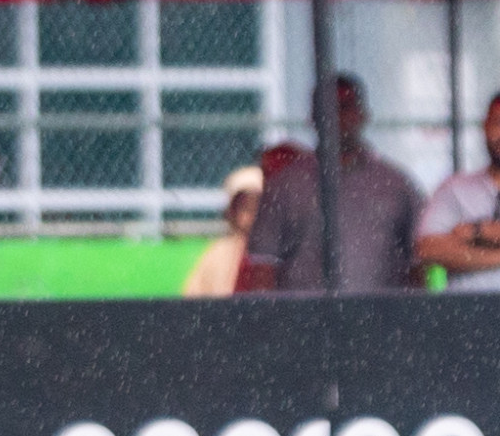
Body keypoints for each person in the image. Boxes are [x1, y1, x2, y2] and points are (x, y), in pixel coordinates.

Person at [241, 74, 424, 293]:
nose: (337, 118)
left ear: (363, 115)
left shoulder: (396, 185)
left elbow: (418, 264)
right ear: (312, 117)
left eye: (345, 107)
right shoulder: (285, 186)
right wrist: (269, 322)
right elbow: (264, 264)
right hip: (304, 321)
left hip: (379, 320)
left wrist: (416, 321)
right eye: (327, 110)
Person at [416, 92, 500, 292]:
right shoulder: (455, 189)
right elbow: (430, 250)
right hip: (468, 317)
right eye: (498, 123)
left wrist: (475, 232)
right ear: (485, 127)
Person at [182, 165, 262, 297]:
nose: (252, 218)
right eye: (246, 208)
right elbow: (192, 302)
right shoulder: (219, 255)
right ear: (231, 212)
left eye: (258, 208)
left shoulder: (286, 254)